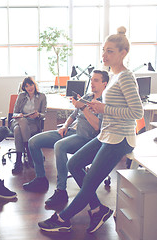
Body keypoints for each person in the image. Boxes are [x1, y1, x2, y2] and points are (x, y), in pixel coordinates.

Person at [38, 26, 143, 234]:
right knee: (74, 163)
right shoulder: (113, 77)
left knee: (90, 182)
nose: (104, 55)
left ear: (123, 53)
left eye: (110, 51)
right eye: (104, 50)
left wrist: (105, 108)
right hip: (107, 134)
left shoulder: (126, 77)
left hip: (120, 138)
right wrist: (96, 107)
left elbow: (137, 112)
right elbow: (116, 109)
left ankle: (63, 218)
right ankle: (98, 209)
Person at [23, 70, 109, 204]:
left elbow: (97, 126)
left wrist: (84, 108)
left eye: (96, 80)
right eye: (91, 79)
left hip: (84, 138)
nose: (92, 82)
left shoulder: (104, 103)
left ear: (105, 83)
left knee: (59, 146)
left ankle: (61, 191)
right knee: (33, 141)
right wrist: (64, 126)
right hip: (69, 131)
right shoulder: (87, 96)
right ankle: (40, 179)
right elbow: (73, 115)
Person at [10, 76, 47, 174]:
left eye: (31, 84)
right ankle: (29, 152)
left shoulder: (42, 96)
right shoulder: (21, 96)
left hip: (33, 123)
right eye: (26, 86)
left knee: (18, 131)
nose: (29, 88)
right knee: (22, 121)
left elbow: (43, 113)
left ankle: (18, 160)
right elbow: (14, 113)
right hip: (18, 121)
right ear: (24, 88)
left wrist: (38, 114)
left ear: (34, 84)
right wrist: (19, 115)